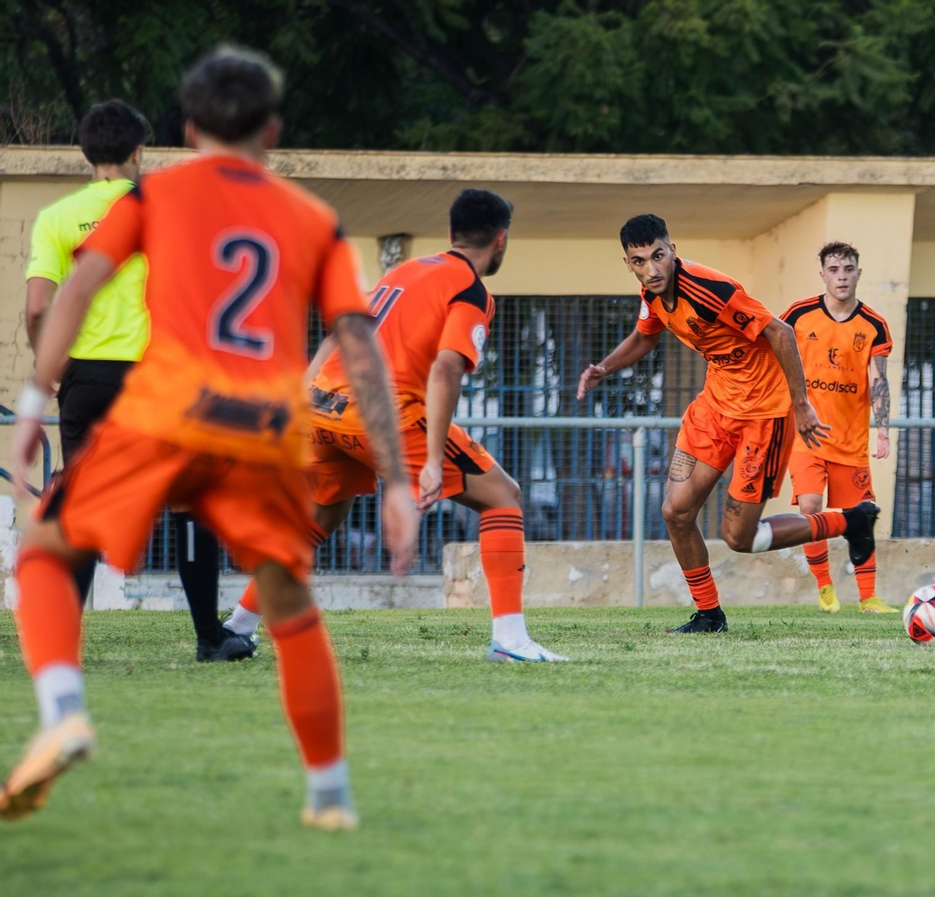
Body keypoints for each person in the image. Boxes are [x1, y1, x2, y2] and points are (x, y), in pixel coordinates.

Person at [1, 47, 417, 830]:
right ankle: (328, 794)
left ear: (188, 128)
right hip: (261, 431)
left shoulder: (151, 196)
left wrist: (31, 403)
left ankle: (64, 711)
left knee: (47, 544)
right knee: (291, 609)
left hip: (161, 411)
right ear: (272, 128)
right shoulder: (313, 220)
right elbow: (359, 346)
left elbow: (76, 289)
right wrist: (395, 479)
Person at [222, 189, 565, 662]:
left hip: (322, 404)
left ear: (450, 232)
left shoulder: (404, 271)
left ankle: (238, 627)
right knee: (502, 495)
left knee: (322, 514)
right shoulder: (470, 288)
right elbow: (447, 368)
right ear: (501, 240)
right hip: (382, 412)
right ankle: (510, 640)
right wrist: (432, 458)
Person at [22, 99, 248, 662]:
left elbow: (35, 309)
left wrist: (48, 366)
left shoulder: (56, 218)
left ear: (85, 154)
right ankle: (208, 637)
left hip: (89, 379)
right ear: (138, 151)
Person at [577, 214, 878, 632]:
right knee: (676, 512)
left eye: (659, 256)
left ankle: (850, 521)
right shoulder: (651, 292)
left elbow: (781, 333)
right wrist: (603, 368)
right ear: (628, 264)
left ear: (673, 251)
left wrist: (802, 406)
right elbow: (646, 336)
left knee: (740, 539)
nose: (653, 269)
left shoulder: (709, 290)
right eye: (640, 261)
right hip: (715, 407)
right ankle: (708, 614)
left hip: (764, 415)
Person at [780, 242, 896, 614]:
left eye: (848, 269)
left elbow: (879, 380)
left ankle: (868, 597)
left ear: (858, 274)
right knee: (811, 507)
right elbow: (775, 355)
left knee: (861, 517)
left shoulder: (874, 324)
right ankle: (825, 588)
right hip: (805, 436)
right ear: (823, 275)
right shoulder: (799, 315)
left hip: (851, 441)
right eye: (834, 269)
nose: (841, 276)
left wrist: (883, 429)